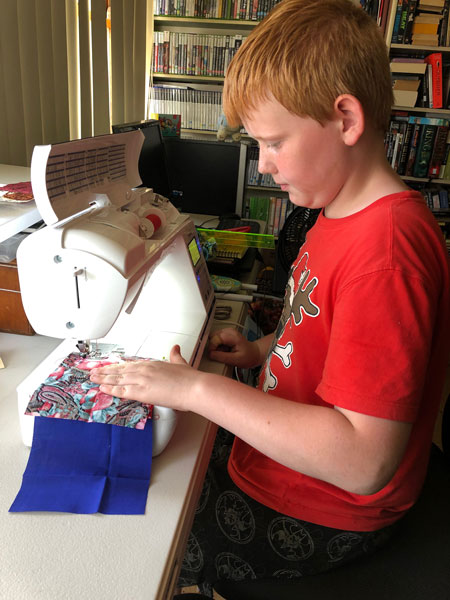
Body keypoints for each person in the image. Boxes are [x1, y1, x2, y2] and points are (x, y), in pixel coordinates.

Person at [90, 0, 450, 593]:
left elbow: (363, 461)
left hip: (331, 508)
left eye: (274, 142)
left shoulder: (386, 253)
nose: (263, 165)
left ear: (346, 119)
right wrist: (264, 353)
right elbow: (323, 328)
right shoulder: (337, 212)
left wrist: (196, 387)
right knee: (154, 452)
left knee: (141, 529)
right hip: (303, 466)